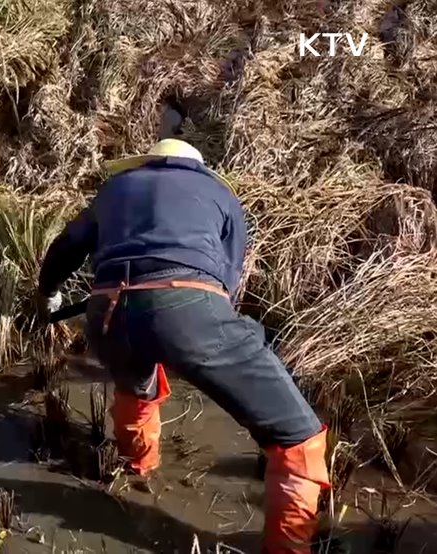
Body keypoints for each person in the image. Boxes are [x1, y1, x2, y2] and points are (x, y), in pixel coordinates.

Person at [37, 139, 330, 554]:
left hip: (106, 314)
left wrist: (49, 295)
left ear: (150, 161)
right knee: (298, 437)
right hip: (187, 304)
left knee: (135, 388)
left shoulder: (115, 188)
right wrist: (192, 333)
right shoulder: (220, 193)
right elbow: (225, 282)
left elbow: (66, 245)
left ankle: (138, 472)